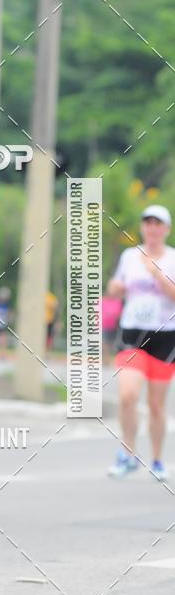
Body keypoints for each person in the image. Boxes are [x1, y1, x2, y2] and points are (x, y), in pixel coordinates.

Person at [107, 205, 175, 481]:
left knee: (157, 405)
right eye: (148, 223)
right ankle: (128, 453)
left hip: (164, 336)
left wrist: (156, 273)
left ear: (166, 229)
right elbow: (115, 285)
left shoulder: (172, 258)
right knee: (127, 395)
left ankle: (157, 459)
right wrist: (115, 288)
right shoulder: (129, 256)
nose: (153, 228)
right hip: (132, 333)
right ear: (143, 227)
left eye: (158, 224)